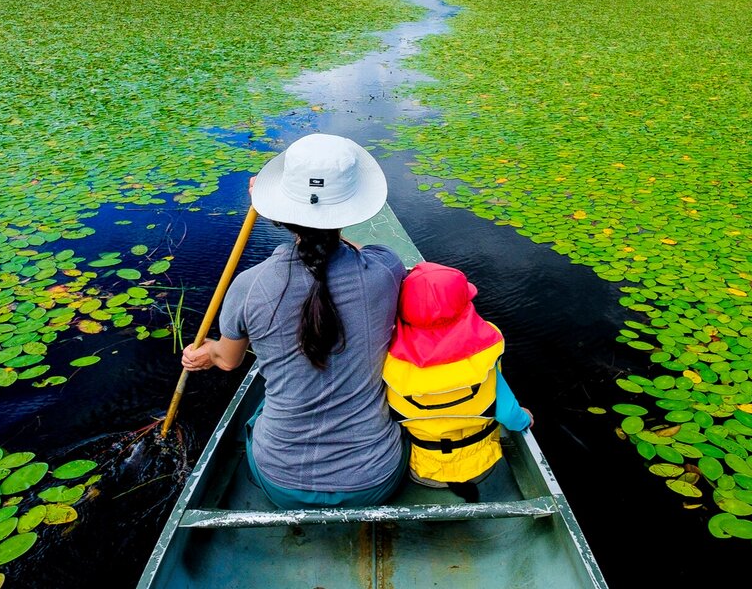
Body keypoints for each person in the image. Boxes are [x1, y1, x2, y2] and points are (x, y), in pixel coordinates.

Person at [180, 133, 408, 508]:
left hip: (281, 482)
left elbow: (228, 360)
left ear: (279, 214)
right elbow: (355, 250)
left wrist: (205, 354)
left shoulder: (249, 286)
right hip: (375, 479)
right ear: (349, 210)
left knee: (260, 412)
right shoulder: (385, 270)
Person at [382, 261, 532, 501]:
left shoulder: (388, 357)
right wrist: (526, 418)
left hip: (421, 469)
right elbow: (510, 416)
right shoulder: (485, 351)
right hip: (481, 466)